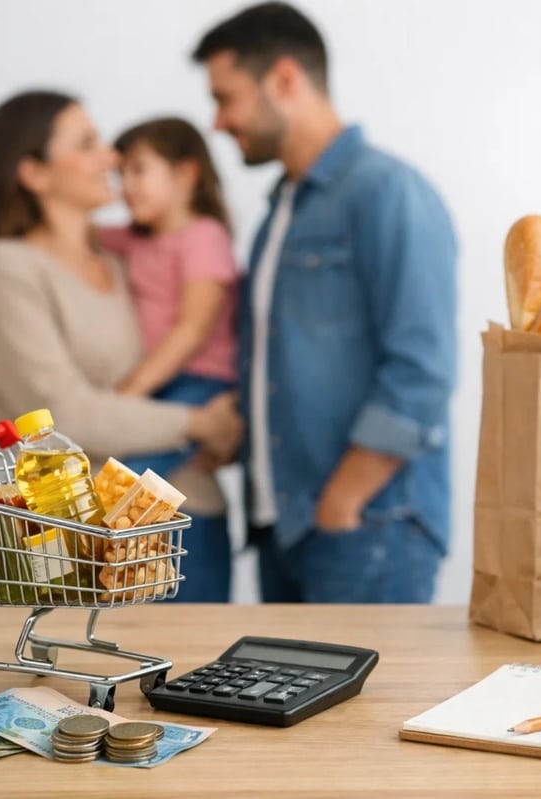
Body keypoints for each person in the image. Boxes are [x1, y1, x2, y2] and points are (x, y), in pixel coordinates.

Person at [192, 2, 459, 603]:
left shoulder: (388, 192)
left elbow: (423, 369)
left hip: (364, 526)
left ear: (284, 80)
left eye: (226, 98)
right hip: (282, 529)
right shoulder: (280, 210)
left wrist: (342, 501)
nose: (218, 121)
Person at [0, 90, 243, 602]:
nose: (110, 157)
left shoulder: (122, 263)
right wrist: (200, 423)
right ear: (34, 173)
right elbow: (59, 416)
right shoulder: (7, 267)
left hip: (191, 517)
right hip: (87, 535)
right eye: (87, 144)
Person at [97, 116, 242, 601]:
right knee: (136, 480)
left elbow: (191, 331)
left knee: (126, 476)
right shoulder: (135, 239)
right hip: (166, 381)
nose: (125, 186)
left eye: (138, 170)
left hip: (201, 380)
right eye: (119, 174)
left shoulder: (204, 236)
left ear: (186, 174)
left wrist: (128, 395)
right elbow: (78, 233)